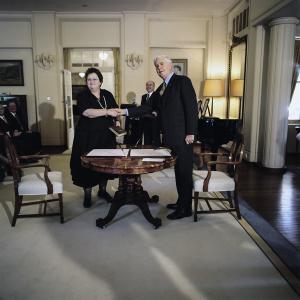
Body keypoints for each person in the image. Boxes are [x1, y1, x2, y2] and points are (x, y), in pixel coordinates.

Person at [117, 55, 198, 220]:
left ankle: (186, 208)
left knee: (184, 172)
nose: (158, 67)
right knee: (178, 170)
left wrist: (191, 132)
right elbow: (148, 107)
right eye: (156, 65)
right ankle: (182, 201)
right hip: (171, 138)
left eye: (161, 64)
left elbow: (192, 108)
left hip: (183, 137)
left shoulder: (182, 81)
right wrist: (125, 112)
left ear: (170, 65)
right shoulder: (162, 87)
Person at [70, 67, 119, 208]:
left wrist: (117, 120)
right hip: (87, 137)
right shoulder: (82, 95)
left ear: (101, 82)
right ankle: (87, 194)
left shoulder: (107, 95)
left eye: (94, 79)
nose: (91, 82)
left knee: (105, 164)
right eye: (89, 79)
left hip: (106, 137)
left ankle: (102, 191)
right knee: (88, 165)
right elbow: (87, 113)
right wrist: (107, 111)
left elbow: (115, 111)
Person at [140, 80, 161, 146]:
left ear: (154, 86)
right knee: (147, 140)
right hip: (145, 121)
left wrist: (156, 112)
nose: (148, 86)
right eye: (147, 85)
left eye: (150, 85)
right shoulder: (143, 97)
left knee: (155, 139)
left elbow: (159, 106)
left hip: (154, 121)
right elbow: (142, 108)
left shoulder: (157, 95)